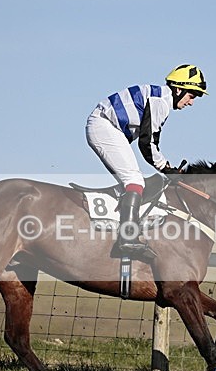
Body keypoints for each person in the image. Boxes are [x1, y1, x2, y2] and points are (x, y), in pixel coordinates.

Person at [86, 64, 208, 259]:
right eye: (191, 96)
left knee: (133, 181)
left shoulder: (160, 98)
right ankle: (127, 238)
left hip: (107, 126)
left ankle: (121, 226)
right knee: (135, 181)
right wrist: (168, 169)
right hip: (104, 126)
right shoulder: (161, 102)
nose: (191, 102)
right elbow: (148, 144)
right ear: (178, 89)